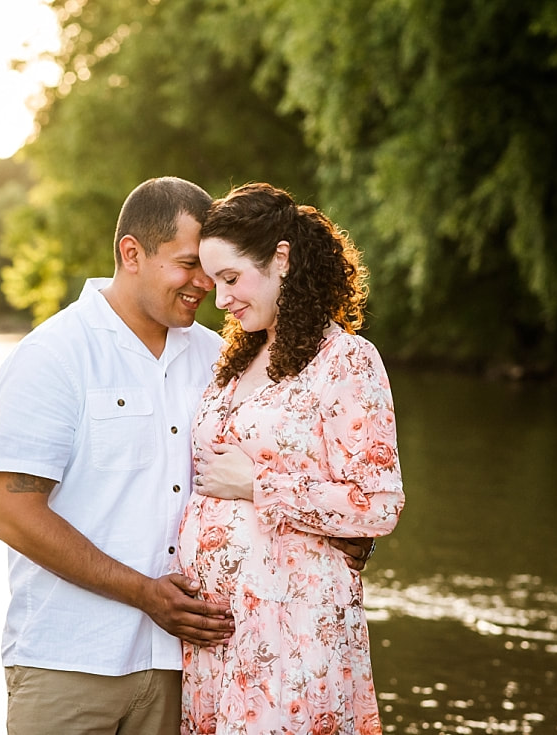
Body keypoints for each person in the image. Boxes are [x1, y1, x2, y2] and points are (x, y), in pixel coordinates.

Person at [0, 176, 376, 735]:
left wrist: (335, 534)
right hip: (72, 660)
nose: (206, 288)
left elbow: (280, 473)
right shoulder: (53, 356)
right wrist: (146, 595)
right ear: (132, 254)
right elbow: (14, 515)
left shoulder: (225, 359)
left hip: (189, 666)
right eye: (189, 265)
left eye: (217, 272)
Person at [176, 182, 405, 735]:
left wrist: (260, 484)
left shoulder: (345, 361)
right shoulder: (236, 360)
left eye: (232, 279)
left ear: (281, 258)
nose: (221, 299)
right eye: (214, 284)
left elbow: (378, 503)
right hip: (216, 642)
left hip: (292, 635)